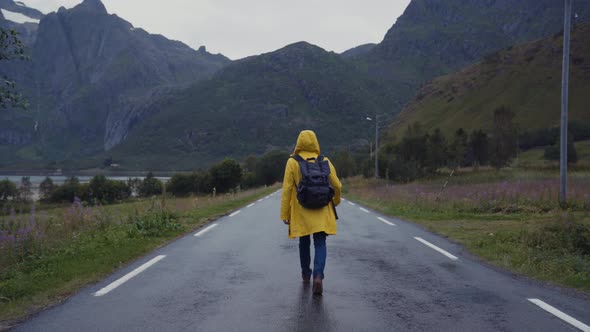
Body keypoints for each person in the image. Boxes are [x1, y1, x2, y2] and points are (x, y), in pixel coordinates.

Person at [280, 130, 342, 295]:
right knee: (320, 243)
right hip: (322, 210)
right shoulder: (324, 160)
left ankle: (306, 275)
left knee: (304, 242)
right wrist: (335, 201)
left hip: (301, 211)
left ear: (298, 143)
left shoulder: (292, 162)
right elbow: (337, 185)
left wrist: (285, 214)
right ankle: (318, 276)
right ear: (315, 143)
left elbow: (286, 190)